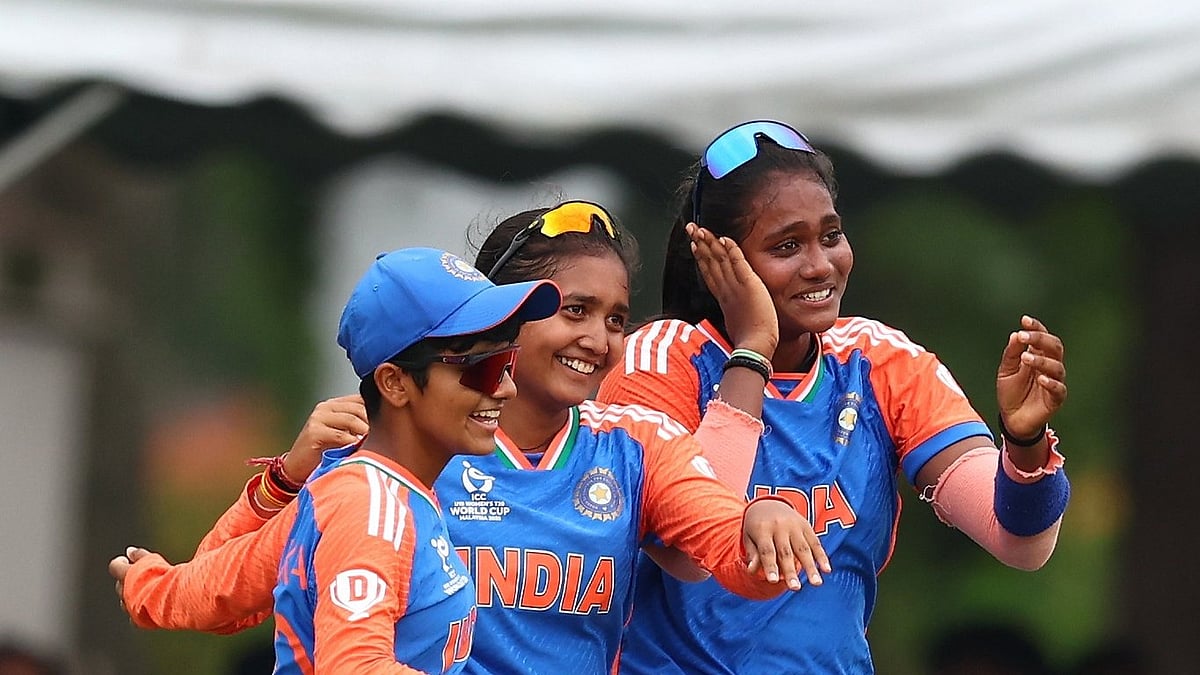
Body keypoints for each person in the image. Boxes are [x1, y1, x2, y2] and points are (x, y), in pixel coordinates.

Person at [111, 201, 830, 674]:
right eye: (572, 310)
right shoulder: (372, 476)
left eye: (616, 318)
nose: (599, 338)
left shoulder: (630, 443)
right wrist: (283, 478)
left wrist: (760, 518)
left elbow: (728, 560)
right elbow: (252, 598)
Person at [595, 120, 1073, 673]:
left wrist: (1024, 444)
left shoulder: (877, 359)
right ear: (717, 260)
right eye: (787, 246)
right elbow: (692, 553)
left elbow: (1019, 542)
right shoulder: (661, 358)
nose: (820, 265)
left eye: (830, 236)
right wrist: (752, 351)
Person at [118, 247, 564, 672]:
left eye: (508, 362)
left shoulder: (350, 489)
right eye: (483, 367)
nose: (506, 388)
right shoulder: (367, 508)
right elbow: (354, 667)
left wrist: (147, 586)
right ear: (395, 383)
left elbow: (211, 588)